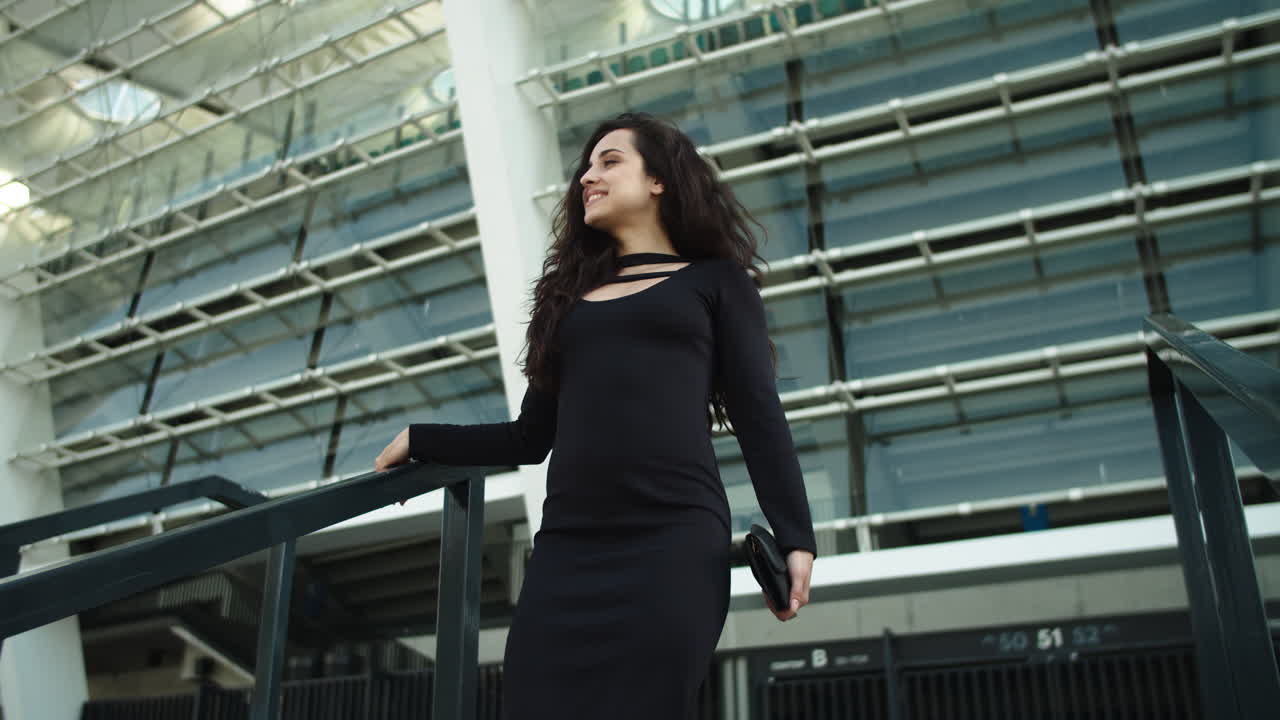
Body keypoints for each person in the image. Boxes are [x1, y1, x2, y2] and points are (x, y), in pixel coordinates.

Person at [374, 111, 817, 719]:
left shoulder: (717, 283)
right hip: (569, 551)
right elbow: (530, 439)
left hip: (673, 542)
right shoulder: (565, 300)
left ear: (659, 180)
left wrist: (797, 537)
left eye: (610, 161)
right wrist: (423, 437)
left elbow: (758, 413)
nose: (588, 176)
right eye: (586, 166)